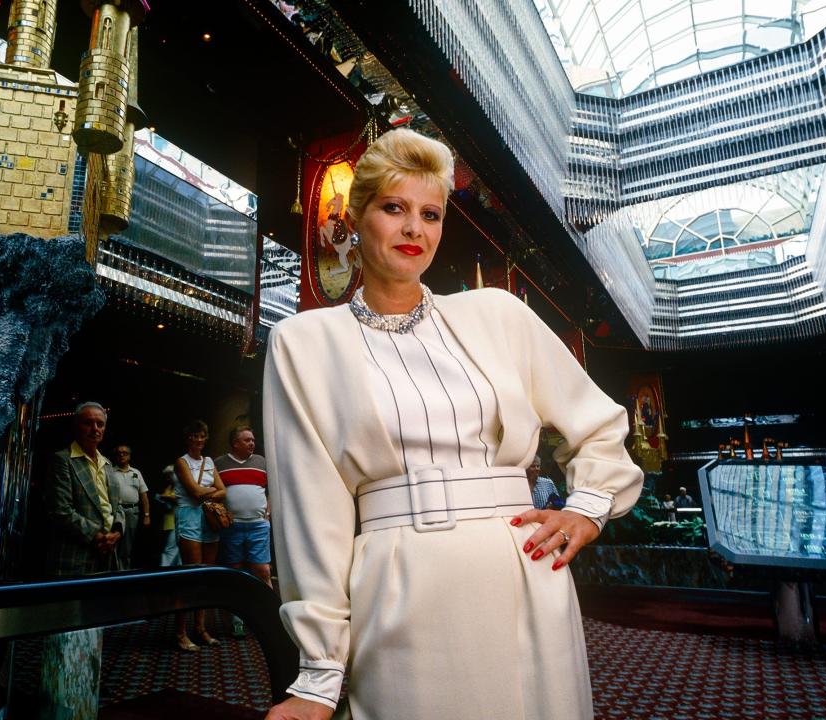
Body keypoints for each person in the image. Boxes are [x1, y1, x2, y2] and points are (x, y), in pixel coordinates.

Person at [263, 128, 643, 720]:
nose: (415, 228)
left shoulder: (496, 313)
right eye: (394, 208)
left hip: (522, 568)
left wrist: (588, 508)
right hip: (395, 580)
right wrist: (318, 674)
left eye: (431, 214)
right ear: (355, 217)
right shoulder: (301, 342)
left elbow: (598, 424)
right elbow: (311, 513)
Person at [44, 402, 124, 576]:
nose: (95, 428)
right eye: (88, 423)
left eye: (100, 424)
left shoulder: (108, 464)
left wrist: (117, 532)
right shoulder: (63, 459)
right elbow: (61, 511)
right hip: (76, 556)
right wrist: (99, 536)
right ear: (76, 426)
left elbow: (118, 507)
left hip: (109, 556)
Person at [173, 419, 227, 651]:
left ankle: (200, 629)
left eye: (202, 435)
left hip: (208, 517)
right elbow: (194, 492)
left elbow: (224, 491)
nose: (199, 439)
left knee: (205, 576)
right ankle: (180, 633)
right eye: (195, 435)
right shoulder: (181, 462)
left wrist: (210, 493)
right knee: (190, 576)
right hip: (189, 516)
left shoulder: (209, 461)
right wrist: (212, 491)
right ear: (188, 438)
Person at [216, 426, 271, 639]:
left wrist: (268, 512)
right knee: (235, 571)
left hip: (258, 525)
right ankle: (237, 620)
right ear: (235, 443)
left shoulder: (262, 462)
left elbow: (273, 489)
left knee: (263, 570)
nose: (252, 443)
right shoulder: (219, 463)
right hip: (232, 526)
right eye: (247, 440)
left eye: (253, 439)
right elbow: (214, 490)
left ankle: (270, 616)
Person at [109, 445, 150, 569]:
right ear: (115, 456)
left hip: (133, 511)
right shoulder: (110, 472)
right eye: (119, 453)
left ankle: (123, 573)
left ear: (129, 456)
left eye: (125, 453)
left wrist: (147, 515)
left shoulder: (136, 473)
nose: (122, 455)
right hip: (116, 511)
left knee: (127, 545)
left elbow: (144, 495)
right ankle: (113, 572)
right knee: (114, 542)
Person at [157, 465, 181, 567]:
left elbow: (178, 499)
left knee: (170, 548)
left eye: (169, 476)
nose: (167, 479)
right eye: (166, 476)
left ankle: (164, 569)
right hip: (169, 521)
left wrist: (165, 497)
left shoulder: (180, 487)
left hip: (177, 521)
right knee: (175, 547)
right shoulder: (169, 487)